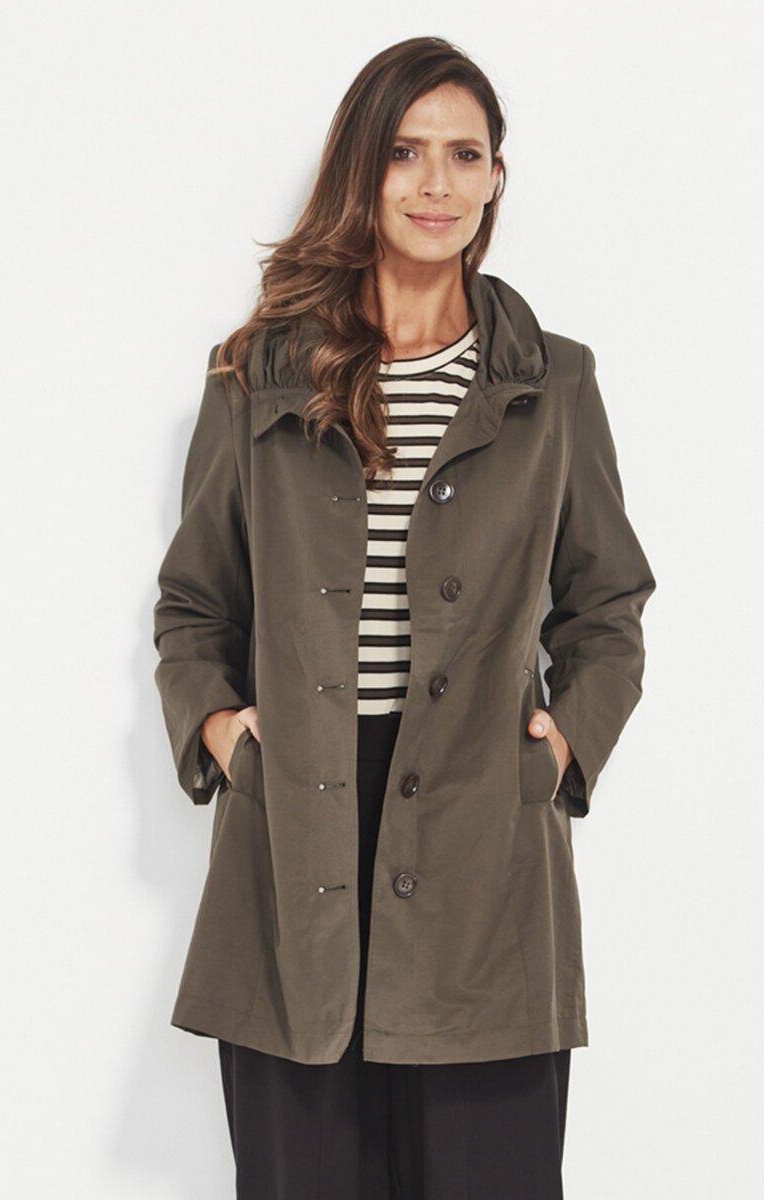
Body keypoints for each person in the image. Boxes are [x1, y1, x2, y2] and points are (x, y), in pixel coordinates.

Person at [152, 35, 656, 1200]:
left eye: (463, 154)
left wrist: (563, 745)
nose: (435, 182)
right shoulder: (257, 376)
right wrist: (222, 733)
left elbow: (606, 604)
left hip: (484, 836)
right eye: (403, 152)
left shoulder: (552, 384)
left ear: (495, 178)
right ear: (361, 173)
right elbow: (193, 604)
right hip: (296, 832)